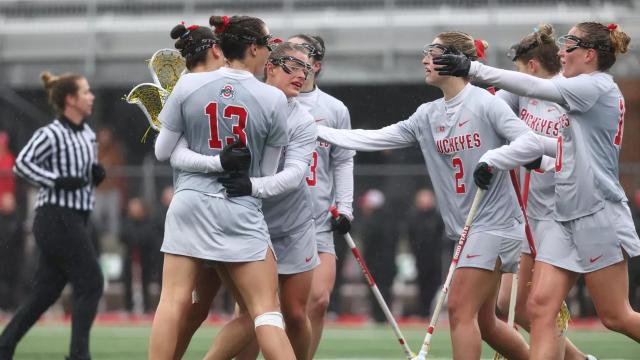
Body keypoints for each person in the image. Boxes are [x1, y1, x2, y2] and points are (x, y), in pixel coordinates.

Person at [316, 32, 549, 359]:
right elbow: (376, 138)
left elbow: (531, 144)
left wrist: (493, 159)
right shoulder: (427, 115)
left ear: (452, 59)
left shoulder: (485, 103)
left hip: (494, 226)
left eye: (432, 53)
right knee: (486, 321)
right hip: (468, 231)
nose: (425, 60)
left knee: (458, 310)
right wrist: (314, 130)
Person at [435, 21, 640, 359]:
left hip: (598, 214)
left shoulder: (596, 87)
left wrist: (474, 68)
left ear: (589, 55)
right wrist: (530, 154)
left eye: (569, 45)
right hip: (562, 216)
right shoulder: (580, 88)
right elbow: (560, 147)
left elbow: (534, 86)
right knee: (541, 307)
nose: (560, 52)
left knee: (615, 315)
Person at [150, 14, 295, 360]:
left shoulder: (187, 86)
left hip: (190, 204)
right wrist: (229, 166)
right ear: (252, 48)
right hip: (239, 208)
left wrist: (211, 159)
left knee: (173, 301)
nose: (270, 51)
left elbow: (164, 152)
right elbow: (266, 172)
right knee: (266, 312)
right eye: (267, 43)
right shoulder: (273, 99)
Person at [175, 42, 318, 360]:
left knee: (283, 313)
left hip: (285, 224)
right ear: (270, 65)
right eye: (292, 66)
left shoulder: (304, 120)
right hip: (232, 217)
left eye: (305, 69)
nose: (300, 75)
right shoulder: (242, 98)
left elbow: (293, 176)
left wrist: (250, 185)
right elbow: (182, 149)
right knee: (196, 308)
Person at [492, 25, 592, 360]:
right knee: (508, 305)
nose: (516, 75)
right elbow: (490, 110)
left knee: (542, 306)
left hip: (560, 216)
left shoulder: (571, 95)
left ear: (532, 66)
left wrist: (544, 159)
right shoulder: (519, 93)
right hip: (526, 214)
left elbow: (579, 153)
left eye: (519, 68)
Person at [0, 71, 105, 360]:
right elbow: (22, 165)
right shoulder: (51, 133)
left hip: (78, 217)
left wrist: (96, 175)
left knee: (46, 292)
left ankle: (5, 345)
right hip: (55, 216)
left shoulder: (87, 133)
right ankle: (78, 354)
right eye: (85, 92)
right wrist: (55, 180)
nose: (91, 96)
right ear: (70, 99)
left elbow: (85, 176)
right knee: (91, 281)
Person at [286, 34, 355, 358]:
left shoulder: (334, 109)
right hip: (278, 216)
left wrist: (345, 207)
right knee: (268, 306)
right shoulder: (275, 100)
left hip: (318, 218)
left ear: (316, 64)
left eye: (302, 53)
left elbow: (342, 161)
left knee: (319, 300)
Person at [406, 188, 444, 318]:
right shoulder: (414, 216)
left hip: (434, 257)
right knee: (422, 284)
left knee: (434, 284)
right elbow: (411, 236)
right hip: (420, 256)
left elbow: (441, 236)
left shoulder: (437, 216)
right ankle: (423, 311)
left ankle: (431, 311)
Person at [120, 197, 161, 314]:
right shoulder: (126, 222)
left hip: (146, 257)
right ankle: (128, 307)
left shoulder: (149, 222)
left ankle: (147, 307)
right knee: (127, 282)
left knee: (146, 282)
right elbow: (122, 236)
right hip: (130, 257)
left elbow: (149, 238)